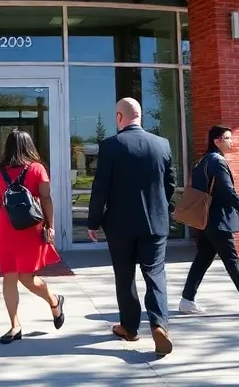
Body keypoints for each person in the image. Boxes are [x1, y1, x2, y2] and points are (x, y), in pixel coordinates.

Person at [86, 97, 177, 357]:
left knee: (125, 276)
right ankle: (159, 326)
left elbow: (100, 188)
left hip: (120, 225)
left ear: (118, 117)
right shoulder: (161, 144)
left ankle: (130, 327)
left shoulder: (110, 146)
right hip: (156, 223)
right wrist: (160, 207)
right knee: (155, 274)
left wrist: (93, 222)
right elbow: (169, 183)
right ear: (141, 116)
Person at [179, 125, 239, 317]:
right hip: (219, 219)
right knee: (231, 260)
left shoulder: (202, 162)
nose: (231, 142)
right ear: (217, 141)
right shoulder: (217, 161)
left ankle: (186, 300)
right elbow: (227, 191)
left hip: (206, 219)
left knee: (202, 259)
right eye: (227, 138)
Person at [0, 130, 65, 344]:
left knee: (25, 277)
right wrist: (51, 225)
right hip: (29, 226)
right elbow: (46, 198)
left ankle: (54, 300)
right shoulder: (37, 169)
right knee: (10, 275)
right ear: (29, 146)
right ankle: (15, 325)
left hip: (9, 226)